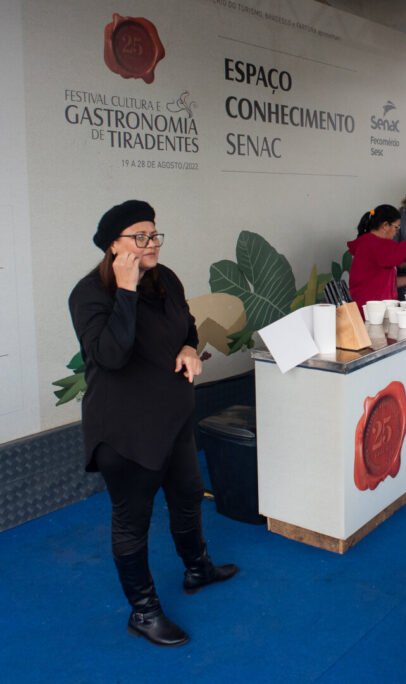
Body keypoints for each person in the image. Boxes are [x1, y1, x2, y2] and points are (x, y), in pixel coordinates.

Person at [68, 200, 238, 647]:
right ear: (112, 246)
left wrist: (187, 347)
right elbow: (111, 355)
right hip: (124, 428)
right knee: (132, 520)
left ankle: (197, 567)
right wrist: (125, 291)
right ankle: (143, 612)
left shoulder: (167, 280)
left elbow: (187, 327)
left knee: (186, 495)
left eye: (154, 234)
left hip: (174, 415)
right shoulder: (89, 294)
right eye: (139, 236)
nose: (151, 243)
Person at [347, 204, 406, 308]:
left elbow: (387, 283)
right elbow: (398, 253)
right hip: (369, 310)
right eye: (396, 227)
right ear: (385, 226)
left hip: (377, 308)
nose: (396, 233)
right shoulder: (372, 244)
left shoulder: (374, 245)